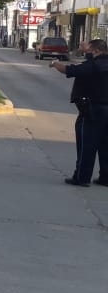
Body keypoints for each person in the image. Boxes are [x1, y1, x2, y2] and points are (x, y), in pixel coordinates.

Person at [50, 38, 108, 187]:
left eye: (87, 47)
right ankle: (105, 178)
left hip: (92, 111)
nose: (84, 48)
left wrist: (55, 63)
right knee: (105, 146)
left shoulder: (93, 65)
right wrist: (87, 52)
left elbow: (70, 70)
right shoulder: (97, 63)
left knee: (86, 146)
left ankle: (82, 177)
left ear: (95, 51)